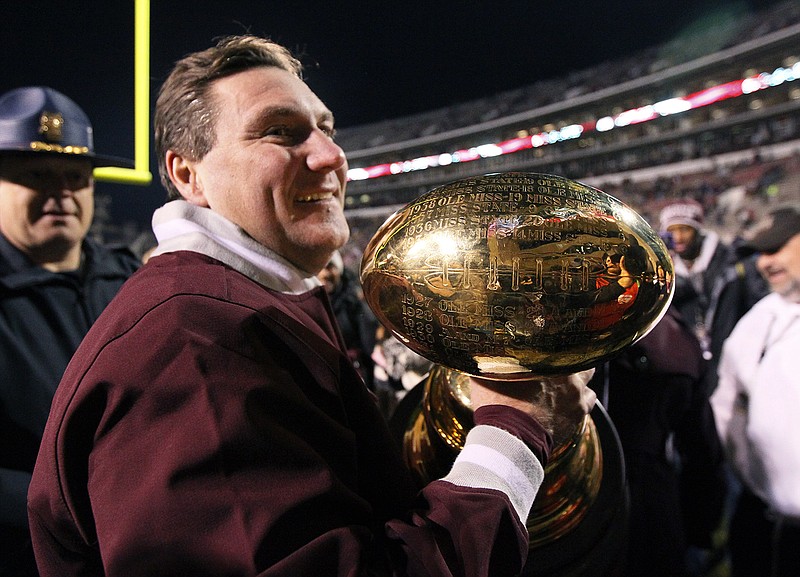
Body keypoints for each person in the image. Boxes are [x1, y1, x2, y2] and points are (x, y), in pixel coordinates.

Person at [27, 35, 596, 577]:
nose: (330, 157)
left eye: (327, 130)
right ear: (187, 174)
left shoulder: (239, 303)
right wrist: (514, 431)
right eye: (280, 133)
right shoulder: (193, 340)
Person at [0, 86, 139, 576]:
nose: (61, 192)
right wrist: (82, 506)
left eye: (75, 177)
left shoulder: (132, 281)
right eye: (36, 176)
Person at [589, 307, 727, 577]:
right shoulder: (677, 339)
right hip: (651, 503)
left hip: (589, 502)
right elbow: (703, 453)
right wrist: (701, 527)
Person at [710, 202, 800, 577]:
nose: (765, 263)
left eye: (775, 249)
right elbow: (726, 407)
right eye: (759, 253)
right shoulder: (757, 320)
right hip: (769, 521)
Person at [658, 198, 768, 394]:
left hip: (738, 366)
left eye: (685, 229)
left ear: (699, 229)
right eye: (672, 231)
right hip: (696, 370)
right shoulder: (665, 272)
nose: (678, 237)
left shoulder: (732, 263)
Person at [317, 250, 378, 390]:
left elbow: (371, 341)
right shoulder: (313, 305)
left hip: (363, 372)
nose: (324, 274)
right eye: (319, 268)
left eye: (329, 267)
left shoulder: (356, 300)